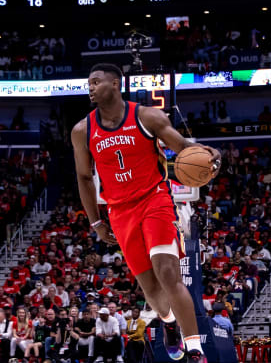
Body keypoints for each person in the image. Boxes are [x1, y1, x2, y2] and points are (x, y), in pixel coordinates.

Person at [71, 63, 221, 363]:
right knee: (150, 288)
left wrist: (207, 154)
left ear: (115, 84)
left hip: (155, 199)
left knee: (167, 271)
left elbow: (183, 148)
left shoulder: (147, 116)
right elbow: (85, 178)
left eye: (96, 81)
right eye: (88, 82)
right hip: (119, 210)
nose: (90, 87)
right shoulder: (82, 130)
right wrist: (96, 221)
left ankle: (195, 350)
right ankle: (168, 324)